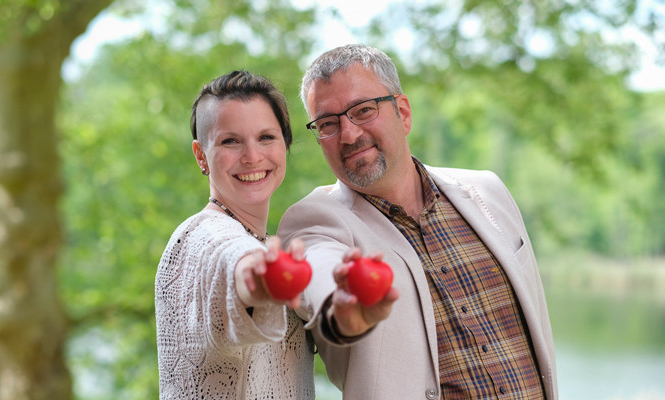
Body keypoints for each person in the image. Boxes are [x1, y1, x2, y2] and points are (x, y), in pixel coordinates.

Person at [278, 44, 558, 399]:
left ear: (403, 112)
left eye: (363, 110)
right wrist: (341, 307)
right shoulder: (315, 219)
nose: (348, 134)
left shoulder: (488, 192)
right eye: (328, 124)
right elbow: (318, 270)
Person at [154, 70, 395, 399]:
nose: (252, 156)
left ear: (285, 145)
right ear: (201, 156)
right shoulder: (198, 237)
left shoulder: (265, 242)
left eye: (266, 137)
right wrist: (255, 276)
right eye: (230, 141)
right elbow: (227, 258)